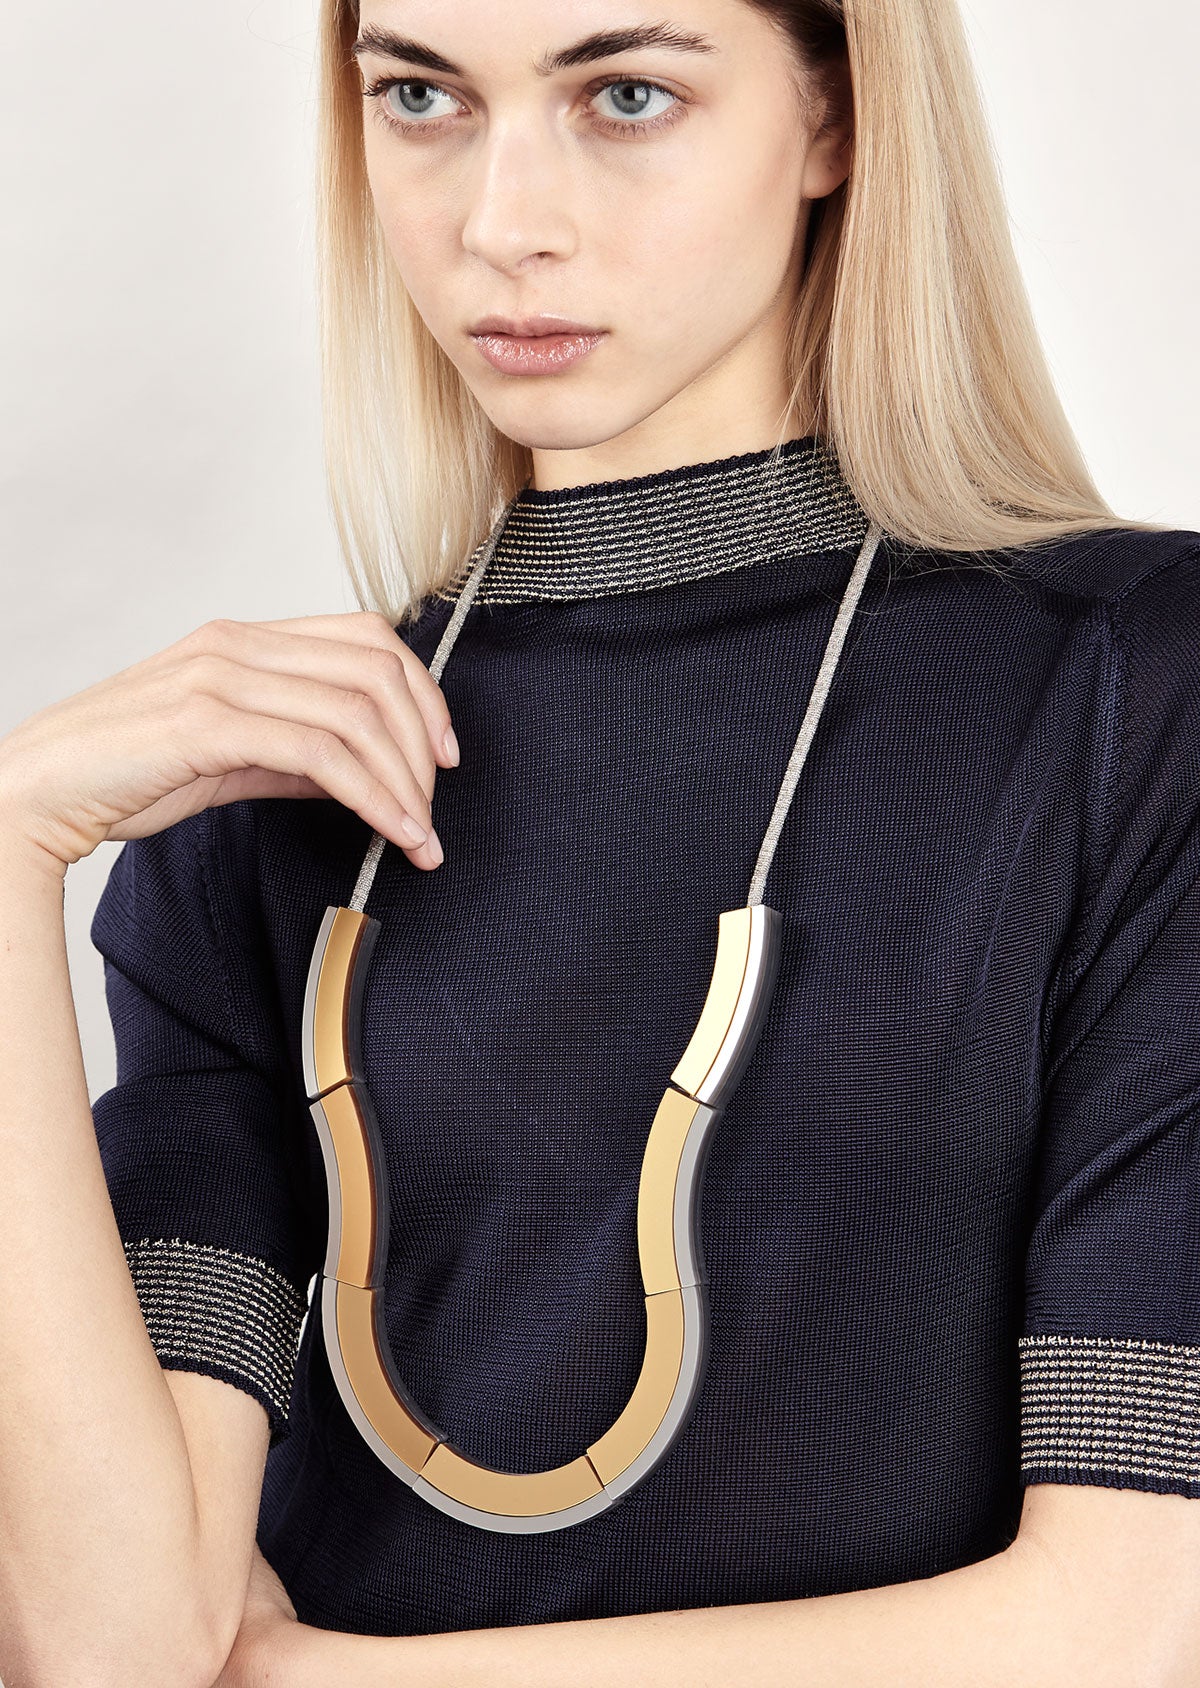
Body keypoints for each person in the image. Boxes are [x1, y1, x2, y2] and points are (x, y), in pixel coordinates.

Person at [2, 0, 1199, 1681]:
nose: (502, 223)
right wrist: (3, 853)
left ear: (835, 116)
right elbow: (109, 1643)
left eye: (626, 95)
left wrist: (310, 1677)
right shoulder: (270, 798)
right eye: (421, 97)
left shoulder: (1134, 690)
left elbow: (1133, 1626)